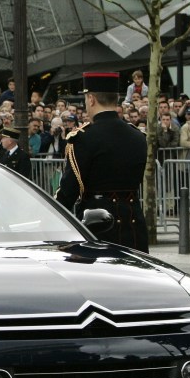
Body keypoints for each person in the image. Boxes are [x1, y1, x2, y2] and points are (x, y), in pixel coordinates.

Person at [56, 72, 149, 252]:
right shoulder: (138, 136)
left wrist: (51, 218)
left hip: (97, 223)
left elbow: (69, 191)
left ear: (91, 99)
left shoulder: (83, 138)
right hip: (133, 222)